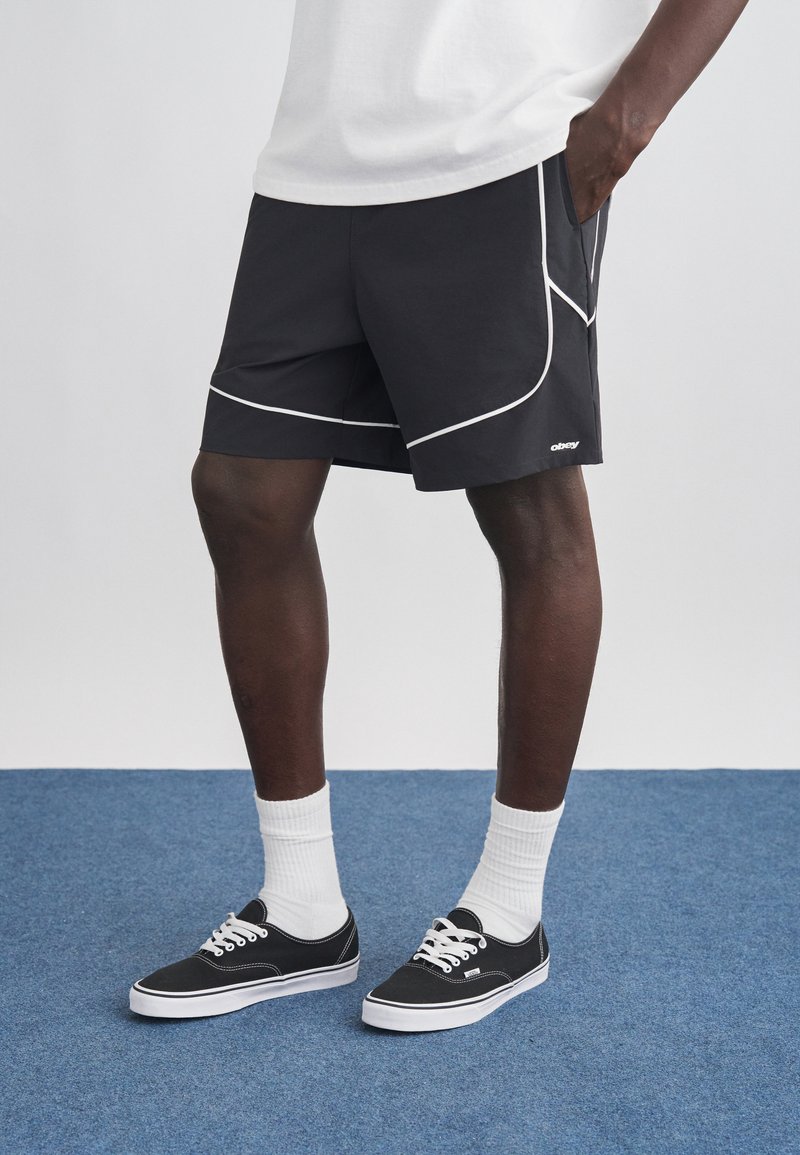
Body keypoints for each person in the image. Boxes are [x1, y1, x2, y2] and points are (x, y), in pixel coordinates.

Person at [130, 0, 750, 1031]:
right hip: (319, 154)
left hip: (497, 145)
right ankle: (301, 907)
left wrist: (630, 112)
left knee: (528, 508)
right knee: (243, 490)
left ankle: (508, 913)